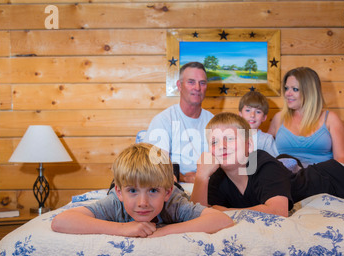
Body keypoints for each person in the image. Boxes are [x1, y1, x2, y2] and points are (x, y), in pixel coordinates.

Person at [191, 112, 344, 217]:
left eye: (229, 139)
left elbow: (277, 211)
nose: (221, 145)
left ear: (248, 145)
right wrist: (201, 178)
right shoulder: (217, 177)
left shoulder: (262, 161)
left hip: (335, 180)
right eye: (213, 141)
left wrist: (225, 211)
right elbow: (200, 214)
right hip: (316, 182)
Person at [52, 143, 233, 238]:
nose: (143, 203)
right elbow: (61, 221)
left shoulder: (174, 202)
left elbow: (221, 219)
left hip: (171, 184)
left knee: (171, 180)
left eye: (153, 191)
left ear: (166, 193)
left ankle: (172, 176)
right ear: (120, 193)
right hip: (128, 185)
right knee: (140, 180)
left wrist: (162, 232)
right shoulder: (115, 201)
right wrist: (122, 229)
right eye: (132, 191)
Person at [268, 67, 344, 182]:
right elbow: (260, 147)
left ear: (310, 91)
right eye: (286, 88)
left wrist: (326, 176)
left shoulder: (330, 119)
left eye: (295, 89)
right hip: (289, 178)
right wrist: (252, 127)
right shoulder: (279, 118)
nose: (287, 93)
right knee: (284, 160)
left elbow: (341, 158)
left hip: (323, 177)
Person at [144, 62, 213, 183]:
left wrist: (201, 177)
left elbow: (223, 162)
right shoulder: (163, 120)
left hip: (208, 184)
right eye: (191, 82)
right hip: (172, 185)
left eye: (202, 83)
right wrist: (185, 178)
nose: (197, 87)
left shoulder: (213, 121)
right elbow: (156, 166)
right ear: (179, 86)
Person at [238, 91, 278, 157]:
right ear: (240, 114)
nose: (252, 115)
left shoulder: (267, 140)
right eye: (248, 110)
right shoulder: (232, 136)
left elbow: (274, 163)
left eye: (258, 112)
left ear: (264, 117)